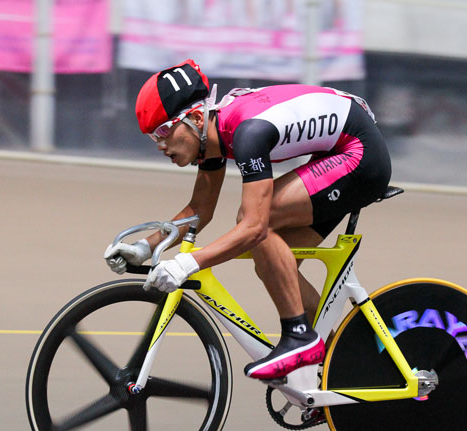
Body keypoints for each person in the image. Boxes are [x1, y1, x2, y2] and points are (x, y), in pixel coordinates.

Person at [104, 59, 392, 380]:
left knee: (258, 222)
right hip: (333, 153)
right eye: (152, 138)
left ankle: (299, 336)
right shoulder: (211, 137)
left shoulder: (247, 132)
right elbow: (200, 209)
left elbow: (254, 227)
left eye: (163, 132)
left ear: (197, 117)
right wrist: (145, 247)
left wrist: (187, 264)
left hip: (360, 156)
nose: (160, 145)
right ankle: (341, 369)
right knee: (272, 263)